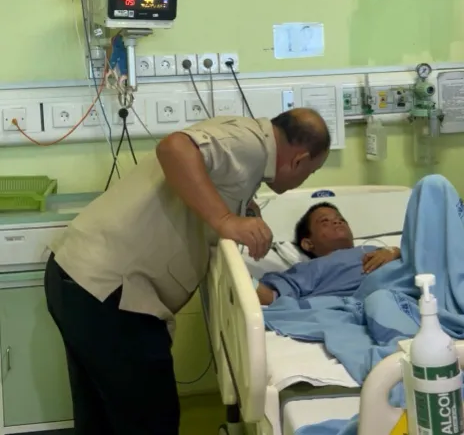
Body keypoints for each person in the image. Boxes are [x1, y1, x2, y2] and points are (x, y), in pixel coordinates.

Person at [43, 108, 330, 435]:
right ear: (298, 160)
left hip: (79, 279)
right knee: (152, 422)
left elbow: (215, 176)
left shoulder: (248, 139)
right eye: (310, 172)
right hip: (108, 294)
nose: (304, 180)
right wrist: (225, 219)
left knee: (101, 421)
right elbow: (174, 148)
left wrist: (241, 209)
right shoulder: (250, 144)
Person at [256, 202, 401, 305]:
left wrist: (395, 252)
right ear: (308, 243)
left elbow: (412, 262)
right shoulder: (312, 268)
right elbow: (271, 296)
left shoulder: (375, 249)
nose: (337, 222)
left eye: (341, 220)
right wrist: (244, 280)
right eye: (325, 222)